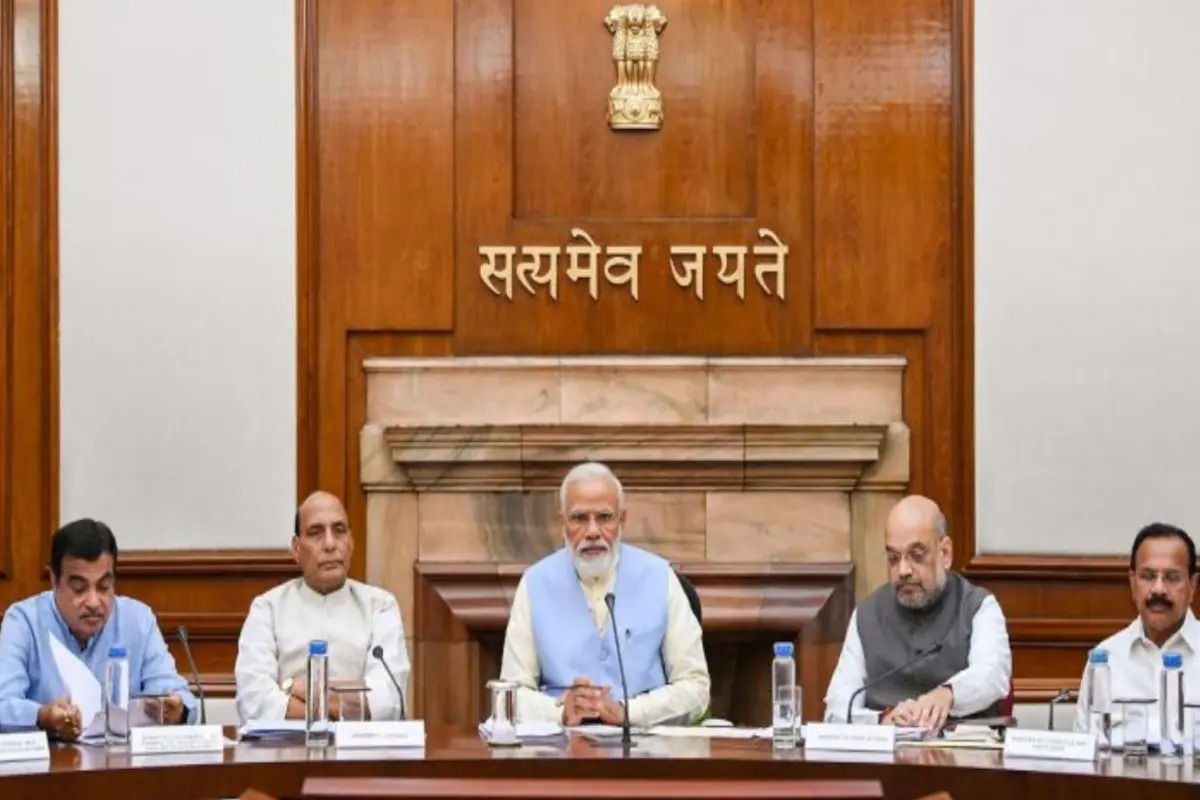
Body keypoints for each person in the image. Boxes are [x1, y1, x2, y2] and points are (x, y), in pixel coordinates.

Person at [498, 461, 710, 727]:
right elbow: (509, 694)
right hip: (562, 747)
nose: (593, 532)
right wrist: (559, 712)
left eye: (605, 517)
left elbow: (696, 688)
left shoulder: (660, 577)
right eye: (579, 518)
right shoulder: (535, 583)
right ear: (562, 523)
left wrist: (631, 711)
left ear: (622, 520)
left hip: (646, 746)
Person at [823, 495, 1012, 731]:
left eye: (917, 555)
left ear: (945, 553)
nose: (903, 570)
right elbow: (837, 710)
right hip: (889, 752)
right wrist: (883, 720)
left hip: (961, 750)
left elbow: (993, 676)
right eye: (893, 558)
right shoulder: (867, 615)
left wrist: (947, 695)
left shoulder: (979, 607)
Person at [0, 519, 197, 737]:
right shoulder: (24, 621)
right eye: (79, 588)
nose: (93, 602)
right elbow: (3, 703)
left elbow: (178, 695)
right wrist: (42, 716)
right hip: (53, 758)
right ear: (55, 581)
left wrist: (176, 711)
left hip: (122, 757)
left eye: (104, 587)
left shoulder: (138, 620)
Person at [235, 491, 409, 722]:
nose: (330, 544)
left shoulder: (380, 606)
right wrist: (346, 709)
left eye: (339, 531)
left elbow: (387, 701)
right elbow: (254, 701)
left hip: (359, 745)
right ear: (297, 549)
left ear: (350, 543)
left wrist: (295, 688)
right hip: (288, 744)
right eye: (316, 533)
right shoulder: (267, 609)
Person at [1072, 522, 1199, 737]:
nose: (1158, 589)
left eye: (1172, 577)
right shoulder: (1106, 659)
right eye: (1147, 576)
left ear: (1192, 585)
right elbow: (1085, 749)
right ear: (1132, 583)